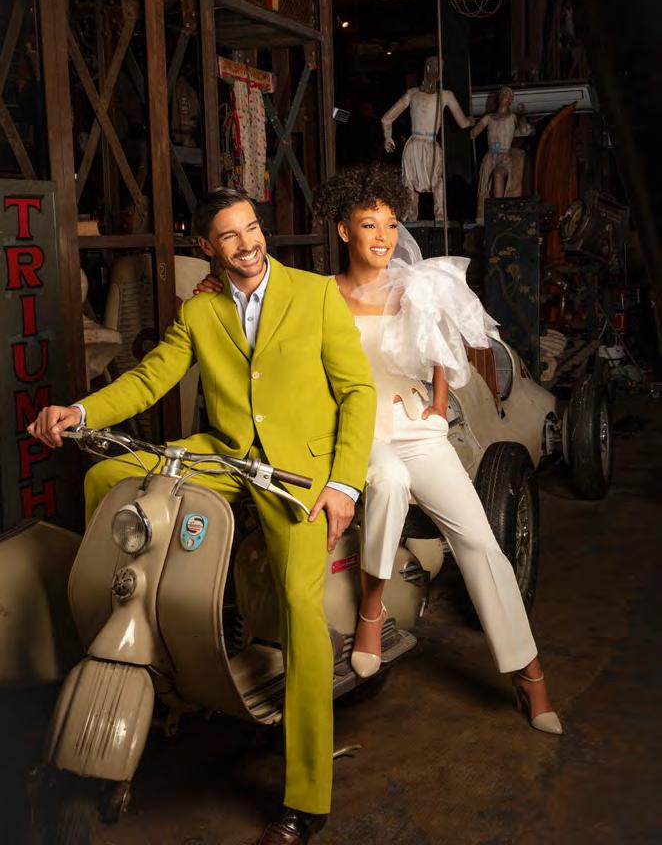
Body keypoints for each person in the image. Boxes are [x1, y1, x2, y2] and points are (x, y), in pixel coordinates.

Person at [27, 189, 377, 845]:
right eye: (230, 235)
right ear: (207, 246)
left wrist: (342, 485)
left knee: (300, 610)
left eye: (252, 228)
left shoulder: (315, 295)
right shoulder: (200, 310)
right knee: (108, 477)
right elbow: (149, 379)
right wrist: (79, 412)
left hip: (300, 475)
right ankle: (140, 642)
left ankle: (307, 797)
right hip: (225, 455)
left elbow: (357, 391)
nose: (248, 244)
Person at [317, 164, 562, 735]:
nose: (383, 236)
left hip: (414, 425)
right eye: (369, 224)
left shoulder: (415, 287)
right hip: (356, 432)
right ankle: (372, 610)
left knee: (479, 541)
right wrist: (214, 287)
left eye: (391, 224)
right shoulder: (319, 295)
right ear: (344, 231)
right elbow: (261, 301)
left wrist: (439, 403)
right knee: (390, 483)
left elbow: (439, 349)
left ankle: (528, 673)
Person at [381, 56, 474, 222]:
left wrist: (471, 121)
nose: (437, 71)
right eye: (434, 67)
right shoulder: (412, 93)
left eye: (440, 68)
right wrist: (387, 137)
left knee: (437, 183)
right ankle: (410, 222)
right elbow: (386, 118)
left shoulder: (446, 95)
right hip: (414, 146)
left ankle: (440, 218)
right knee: (410, 188)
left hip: (430, 146)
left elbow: (462, 123)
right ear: (427, 68)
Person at [470, 86, 534, 223]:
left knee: (498, 174)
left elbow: (524, 131)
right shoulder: (489, 117)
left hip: (504, 157)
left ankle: (498, 212)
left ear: (511, 100)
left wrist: (522, 116)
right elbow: (474, 133)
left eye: (507, 93)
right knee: (484, 189)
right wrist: (471, 124)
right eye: (502, 93)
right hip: (489, 157)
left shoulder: (512, 117)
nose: (503, 95)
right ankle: (480, 219)